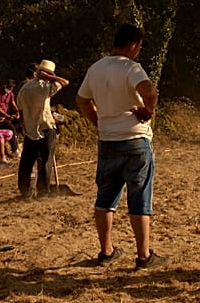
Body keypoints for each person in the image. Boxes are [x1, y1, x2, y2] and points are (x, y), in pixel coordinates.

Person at [76, 23, 167, 270]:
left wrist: (98, 121)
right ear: (133, 45)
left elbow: (82, 99)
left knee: (105, 198)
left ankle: (106, 252)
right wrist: (149, 111)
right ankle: (143, 256)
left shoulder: (96, 68)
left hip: (107, 140)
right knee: (139, 198)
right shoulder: (131, 67)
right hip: (135, 139)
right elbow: (149, 91)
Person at [17, 59, 69, 198]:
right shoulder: (45, 87)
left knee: (27, 160)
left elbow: (20, 109)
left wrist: (24, 124)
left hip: (30, 128)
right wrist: (50, 78)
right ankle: (43, 190)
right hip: (46, 126)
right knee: (46, 160)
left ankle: (25, 190)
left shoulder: (24, 89)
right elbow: (65, 82)